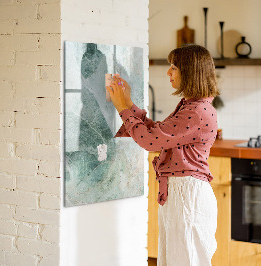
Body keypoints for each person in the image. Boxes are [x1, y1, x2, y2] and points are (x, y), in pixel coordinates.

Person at [106, 44, 219, 266]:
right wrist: (128, 103)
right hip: (181, 193)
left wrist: (122, 108)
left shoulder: (196, 111)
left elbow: (150, 141)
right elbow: (158, 133)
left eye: (174, 67)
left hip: (187, 195)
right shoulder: (192, 106)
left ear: (190, 71)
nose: (168, 72)